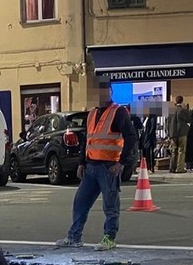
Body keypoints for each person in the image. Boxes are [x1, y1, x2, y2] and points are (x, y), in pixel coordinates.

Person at [55, 84, 138, 251]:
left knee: (110, 205)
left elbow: (131, 137)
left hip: (108, 166)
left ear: (110, 93)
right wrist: (81, 162)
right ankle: (74, 237)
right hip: (91, 166)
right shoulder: (92, 114)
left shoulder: (118, 112)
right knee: (80, 203)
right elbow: (87, 140)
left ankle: (109, 237)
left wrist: (121, 162)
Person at [168, 96, 191, 173]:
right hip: (182, 133)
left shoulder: (170, 111)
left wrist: (169, 133)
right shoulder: (183, 110)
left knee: (173, 151)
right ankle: (180, 168)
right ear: (182, 101)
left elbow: (167, 122)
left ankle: (172, 167)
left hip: (172, 133)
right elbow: (189, 119)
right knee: (181, 151)